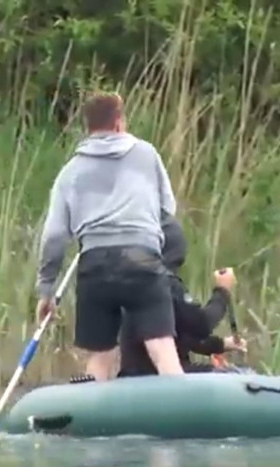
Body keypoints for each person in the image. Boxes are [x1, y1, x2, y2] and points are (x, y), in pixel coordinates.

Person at [34, 92, 183, 380]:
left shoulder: (70, 172)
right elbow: (168, 209)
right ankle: (183, 416)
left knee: (101, 357)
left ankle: (92, 418)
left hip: (95, 265)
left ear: (89, 127)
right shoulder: (146, 154)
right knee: (163, 349)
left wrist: (46, 290)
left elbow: (54, 236)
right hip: (143, 260)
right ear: (118, 123)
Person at [117, 215, 247, 377]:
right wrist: (222, 291)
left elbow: (183, 334)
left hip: (136, 376)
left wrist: (221, 345)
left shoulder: (132, 284)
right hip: (163, 376)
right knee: (239, 375)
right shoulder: (164, 284)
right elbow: (202, 324)